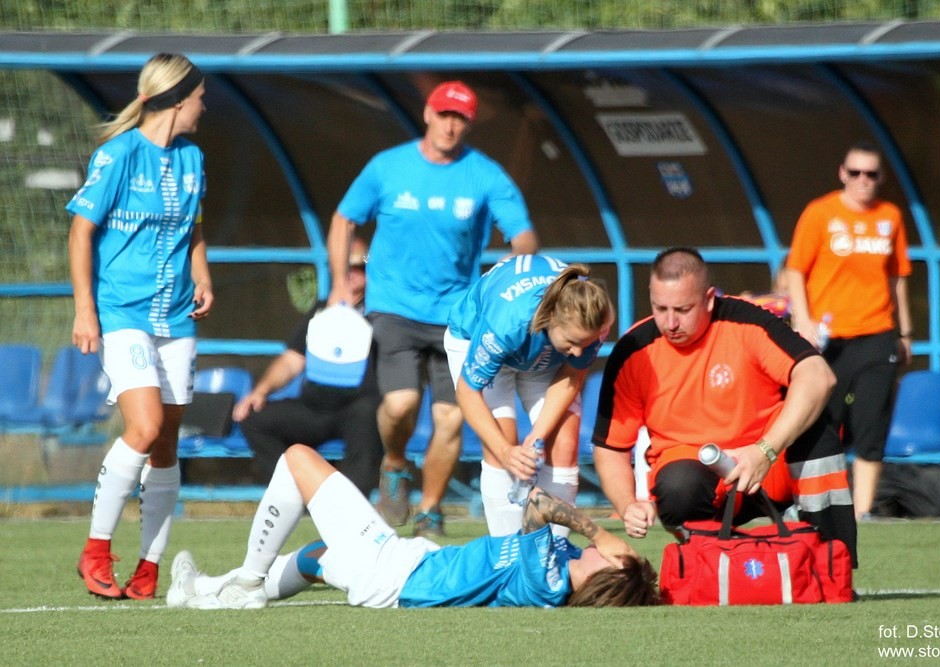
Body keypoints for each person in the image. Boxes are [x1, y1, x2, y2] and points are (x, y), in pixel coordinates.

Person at [326, 80, 539, 536]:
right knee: (400, 404)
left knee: (451, 416)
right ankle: (395, 463)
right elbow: (344, 219)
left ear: (470, 124)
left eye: (460, 118)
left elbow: (523, 237)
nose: (450, 125)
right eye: (444, 114)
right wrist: (339, 284)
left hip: (457, 315)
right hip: (394, 307)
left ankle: (430, 509)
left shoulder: (484, 174)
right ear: (427, 114)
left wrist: (515, 273)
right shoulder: (388, 167)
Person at [592, 248, 857, 565]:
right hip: (692, 470)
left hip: (768, 463)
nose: (670, 322)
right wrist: (627, 505)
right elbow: (610, 447)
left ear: (709, 299)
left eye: (683, 309)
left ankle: (832, 566)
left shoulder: (748, 320)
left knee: (818, 430)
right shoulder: (634, 349)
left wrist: (765, 450)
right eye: (660, 308)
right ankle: (708, 568)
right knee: (678, 487)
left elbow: (818, 376)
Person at [165, 444, 659, 609]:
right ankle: (202, 592)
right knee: (317, 556)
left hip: (392, 571)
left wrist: (600, 533)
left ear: (609, 573)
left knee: (297, 459)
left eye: (619, 557)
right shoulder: (563, 563)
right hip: (400, 569)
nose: (614, 547)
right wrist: (629, 566)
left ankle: (250, 583)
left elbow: (537, 502)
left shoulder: (547, 581)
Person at [67, 53, 212, 600]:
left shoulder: (194, 158)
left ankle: (148, 568)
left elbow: (194, 228)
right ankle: (96, 551)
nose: (204, 107)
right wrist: (85, 310)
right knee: (145, 427)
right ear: (177, 100)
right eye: (200, 98)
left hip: (176, 317)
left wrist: (203, 274)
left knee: (167, 443)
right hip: (123, 313)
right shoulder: (119, 155)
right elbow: (81, 233)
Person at [785, 142, 913, 521]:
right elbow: (796, 270)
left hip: (877, 332)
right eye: (855, 172)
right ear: (842, 173)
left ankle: (863, 512)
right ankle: (814, 504)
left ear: (881, 177)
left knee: (872, 422)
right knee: (823, 421)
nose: (863, 180)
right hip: (830, 338)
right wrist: (802, 320)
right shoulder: (820, 212)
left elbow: (898, 277)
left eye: (871, 174)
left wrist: (905, 333)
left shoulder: (890, 215)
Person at [444, 255, 613, 536]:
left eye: (585, 344)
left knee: (564, 441)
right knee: (502, 445)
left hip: (545, 355)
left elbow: (572, 374)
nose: (578, 352)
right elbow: (467, 391)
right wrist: (505, 451)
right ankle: (508, 549)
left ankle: (554, 551)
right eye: (572, 342)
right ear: (551, 319)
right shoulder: (506, 322)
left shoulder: (597, 321)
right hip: (477, 340)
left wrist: (538, 435)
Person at [233, 237, 380, 496]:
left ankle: (351, 504)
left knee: (368, 416)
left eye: (360, 267)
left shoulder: (382, 312)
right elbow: (292, 359)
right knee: (253, 418)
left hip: (358, 407)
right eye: (345, 266)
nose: (352, 273)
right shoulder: (321, 310)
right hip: (315, 407)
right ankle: (295, 494)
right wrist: (261, 391)